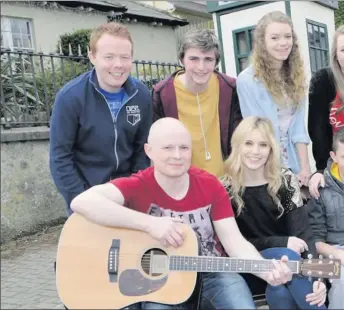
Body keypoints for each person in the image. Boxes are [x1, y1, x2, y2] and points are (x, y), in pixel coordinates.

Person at [71, 117, 293, 310]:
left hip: (213, 274)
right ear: (149, 151)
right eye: (168, 148)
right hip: (158, 278)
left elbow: (234, 242)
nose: (177, 156)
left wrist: (267, 272)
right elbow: (82, 201)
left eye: (184, 148)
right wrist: (150, 224)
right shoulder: (138, 185)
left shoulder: (210, 185)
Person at [221, 116, 327, 310]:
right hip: (247, 268)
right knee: (287, 258)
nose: (255, 151)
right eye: (249, 143)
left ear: (271, 149)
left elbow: (303, 234)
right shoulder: (224, 188)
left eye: (263, 145)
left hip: (286, 269)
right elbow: (233, 244)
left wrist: (318, 278)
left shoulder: (284, 181)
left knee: (279, 290)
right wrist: (281, 242)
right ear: (237, 146)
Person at [50, 22, 152, 216]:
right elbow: (60, 158)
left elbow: (142, 151)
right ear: (92, 56)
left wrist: (136, 192)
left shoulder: (142, 95)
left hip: (127, 197)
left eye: (125, 57)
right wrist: (81, 200)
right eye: (109, 57)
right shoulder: (70, 98)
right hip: (86, 197)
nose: (118, 65)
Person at [152, 29, 242, 178]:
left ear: (216, 62)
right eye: (194, 59)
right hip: (184, 184)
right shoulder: (162, 93)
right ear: (182, 59)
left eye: (208, 59)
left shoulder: (230, 88)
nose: (201, 67)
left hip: (226, 183)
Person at [237, 11, 311, 186]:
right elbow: (258, 130)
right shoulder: (248, 80)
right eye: (275, 38)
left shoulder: (297, 76)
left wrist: (305, 167)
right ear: (263, 42)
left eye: (287, 36)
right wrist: (276, 174)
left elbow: (299, 128)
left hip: (294, 163)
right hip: (264, 167)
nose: (283, 43)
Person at [308, 128, 344, 309]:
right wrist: (338, 254)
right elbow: (315, 240)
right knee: (342, 279)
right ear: (334, 156)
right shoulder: (320, 188)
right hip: (332, 251)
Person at [308, 25, 344, 199]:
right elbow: (317, 128)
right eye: (343, 49)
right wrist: (321, 168)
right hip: (336, 164)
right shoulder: (323, 80)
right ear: (336, 54)